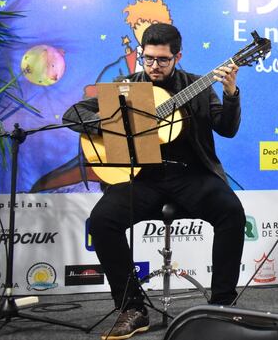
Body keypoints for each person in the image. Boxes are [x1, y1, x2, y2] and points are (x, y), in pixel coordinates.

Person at [63, 23, 245, 340]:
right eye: (148, 59)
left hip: (190, 174)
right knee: (102, 221)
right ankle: (132, 307)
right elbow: (74, 114)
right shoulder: (126, 86)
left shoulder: (198, 86)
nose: (154, 66)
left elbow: (226, 128)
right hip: (140, 178)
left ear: (177, 57)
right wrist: (110, 125)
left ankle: (221, 308)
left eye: (162, 60)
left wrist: (231, 94)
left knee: (231, 211)